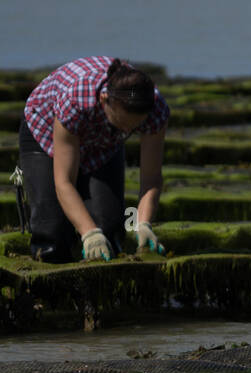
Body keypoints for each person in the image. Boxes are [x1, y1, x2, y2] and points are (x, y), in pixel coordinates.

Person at [19, 57, 170, 263]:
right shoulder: (75, 100)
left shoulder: (155, 109)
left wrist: (143, 225)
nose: (127, 131)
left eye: (134, 128)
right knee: (51, 234)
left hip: (103, 144)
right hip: (44, 131)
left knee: (109, 231)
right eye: (122, 124)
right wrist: (89, 233)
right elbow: (64, 182)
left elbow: (151, 179)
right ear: (104, 99)